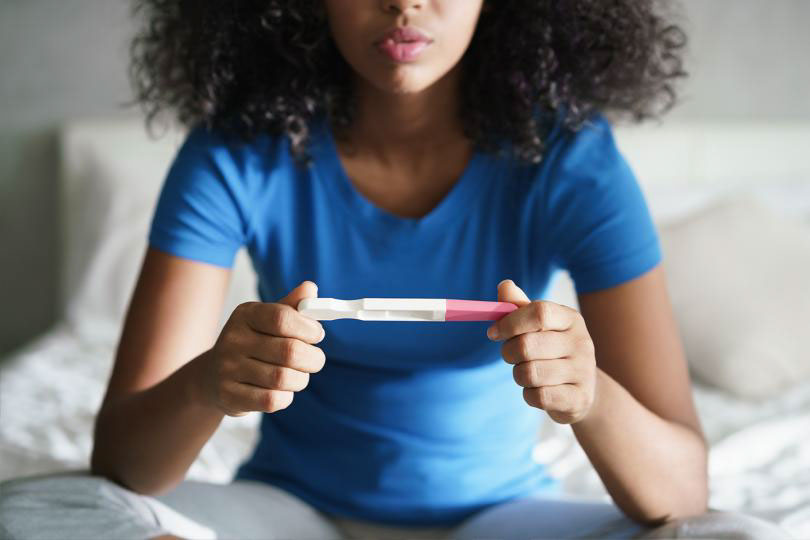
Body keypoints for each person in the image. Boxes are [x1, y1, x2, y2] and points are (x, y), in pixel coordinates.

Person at [0, 1, 795, 539]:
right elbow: (124, 465)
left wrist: (590, 393)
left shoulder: (572, 162)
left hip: (500, 517)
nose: (406, 4)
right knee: (43, 515)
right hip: (288, 512)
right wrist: (211, 380)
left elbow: (684, 492)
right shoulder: (233, 151)